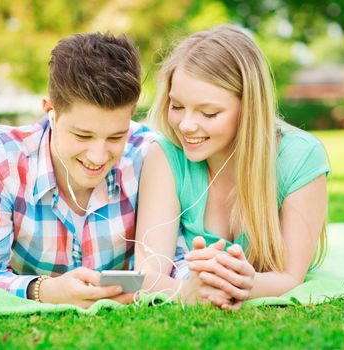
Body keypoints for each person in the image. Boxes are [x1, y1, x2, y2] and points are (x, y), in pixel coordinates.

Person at [134, 25, 329, 310]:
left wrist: (246, 284)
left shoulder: (300, 156)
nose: (186, 125)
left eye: (208, 112)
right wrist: (190, 290)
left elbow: (290, 276)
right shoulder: (165, 155)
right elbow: (148, 275)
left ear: (248, 108)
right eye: (177, 107)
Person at [0, 32, 154, 309]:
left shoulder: (149, 154)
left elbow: (173, 262)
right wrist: (45, 290)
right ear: (50, 110)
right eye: (83, 136)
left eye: (115, 137)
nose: (98, 156)